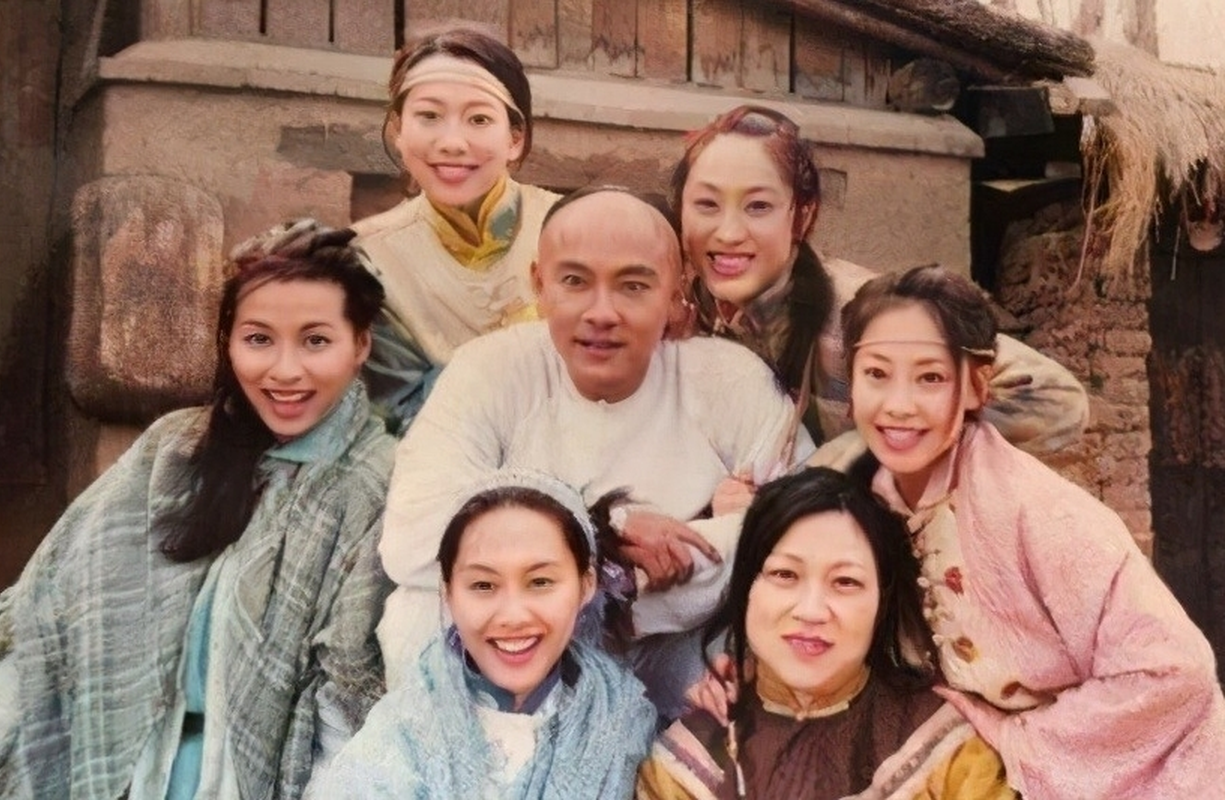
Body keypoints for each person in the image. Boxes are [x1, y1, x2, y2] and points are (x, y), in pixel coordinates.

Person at [0, 228, 396, 798]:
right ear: (228, 341)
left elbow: (349, 714)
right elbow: (37, 634)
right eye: (258, 339)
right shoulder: (173, 451)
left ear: (361, 344)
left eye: (315, 341)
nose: (284, 371)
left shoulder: (380, 484)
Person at [376, 185, 813, 712]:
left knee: (763, 644)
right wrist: (605, 536)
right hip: (519, 636)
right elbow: (414, 538)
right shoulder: (490, 370)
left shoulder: (725, 378)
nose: (601, 312)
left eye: (633, 286)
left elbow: (805, 528)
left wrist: (635, 571)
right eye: (575, 282)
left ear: (676, 291)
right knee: (414, 619)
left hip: (668, 648)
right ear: (540, 285)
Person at [836, 265, 1225, 797]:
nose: (898, 405)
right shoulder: (866, 499)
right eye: (877, 374)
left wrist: (1019, 739)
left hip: (1143, 769)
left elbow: (1175, 671)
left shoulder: (1038, 511)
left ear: (977, 384)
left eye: (930, 378)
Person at [671, 104, 1089, 454]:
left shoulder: (861, 314)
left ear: (802, 214)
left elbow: (1057, 401)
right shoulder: (687, 310)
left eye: (758, 206)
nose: (728, 233)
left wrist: (873, 456)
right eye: (707, 204)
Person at [637, 467, 1015, 799]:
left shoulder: (947, 749)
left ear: (881, 599)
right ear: (746, 588)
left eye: (846, 581)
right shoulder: (683, 771)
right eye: (785, 574)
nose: (812, 611)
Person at [306, 469, 657, 797]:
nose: (513, 616)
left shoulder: (624, 721)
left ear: (586, 585)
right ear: (448, 593)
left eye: (540, 582)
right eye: (483, 585)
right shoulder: (397, 739)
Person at [352, 26, 560, 432]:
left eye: (479, 119)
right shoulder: (368, 258)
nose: (452, 142)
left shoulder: (571, 228)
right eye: (429, 116)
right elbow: (397, 408)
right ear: (398, 130)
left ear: (515, 139)